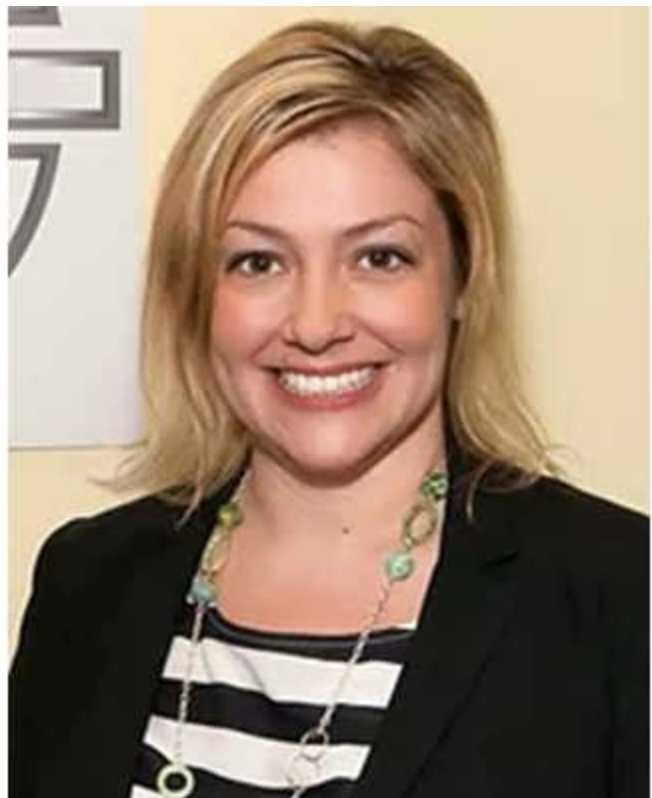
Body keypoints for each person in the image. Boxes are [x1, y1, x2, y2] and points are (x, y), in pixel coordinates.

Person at [10, 19, 648, 798]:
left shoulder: (621, 597)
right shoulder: (88, 584)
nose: (315, 324)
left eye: (379, 257)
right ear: (197, 295)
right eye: (259, 261)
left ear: (463, 278)